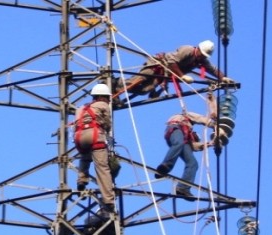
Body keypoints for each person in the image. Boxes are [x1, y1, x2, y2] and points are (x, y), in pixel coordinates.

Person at [113, 40, 235, 99]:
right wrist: (182, 76)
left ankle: (119, 88)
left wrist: (223, 78)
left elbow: (212, 69)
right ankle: (117, 83)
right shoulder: (187, 50)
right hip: (158, 65)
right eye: (201, 54)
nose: (201, 56)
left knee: (145, 90)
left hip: (164, 74)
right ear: (197, 48)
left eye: (204, 56)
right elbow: (172, 63)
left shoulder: (201, 60)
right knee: (141, 79)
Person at [155, 111, 215, 201]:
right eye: (195, 137)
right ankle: (166, 166)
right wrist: (214, 124)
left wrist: (210, 144)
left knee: (193, 163)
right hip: (175, 128)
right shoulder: (185, 118)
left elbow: (194, 146)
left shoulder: (187, 139)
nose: (194, 139)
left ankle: (183, 188)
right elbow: (200, 118)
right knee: (179, 142)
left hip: (181, 141)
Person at [74, 83, 115, 213]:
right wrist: (107, 132)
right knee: (102, 168)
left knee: (85, 157)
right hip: (95, 134)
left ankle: (82, 180)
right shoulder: (103, 105)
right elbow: (108, 122)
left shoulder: (81, 108)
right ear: (103, 97)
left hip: (79, 136)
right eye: (108, 98)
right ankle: (108, 200)